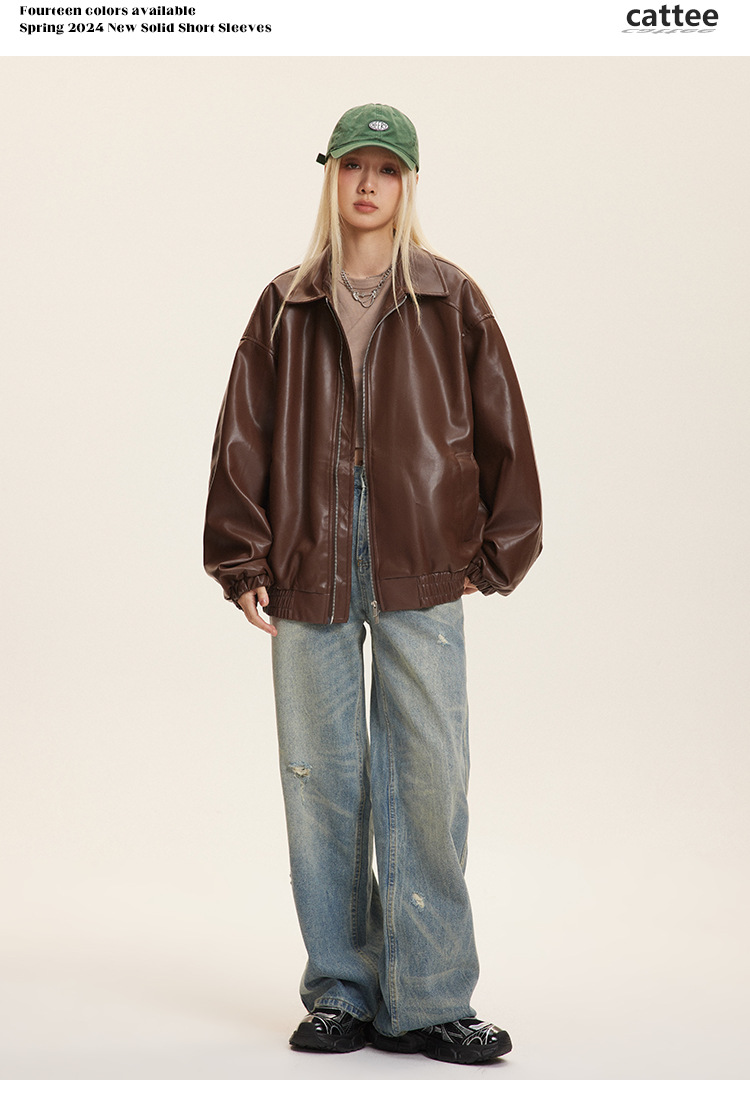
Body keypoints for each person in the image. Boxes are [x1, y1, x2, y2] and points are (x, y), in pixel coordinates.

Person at [203, 104, 542, 1065]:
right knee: (322, 781)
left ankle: (431, 998)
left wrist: (496, 551)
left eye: (386, 169)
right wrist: (241, 555)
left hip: (423, 563)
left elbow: (503, 427)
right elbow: (243, 434)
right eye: (354, 165)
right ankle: (341, 992)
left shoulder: (450, 297)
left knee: (429, 780)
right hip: (306, 564)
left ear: (408, 184)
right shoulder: (285, 303)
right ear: (331, 176)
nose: (368, 184)